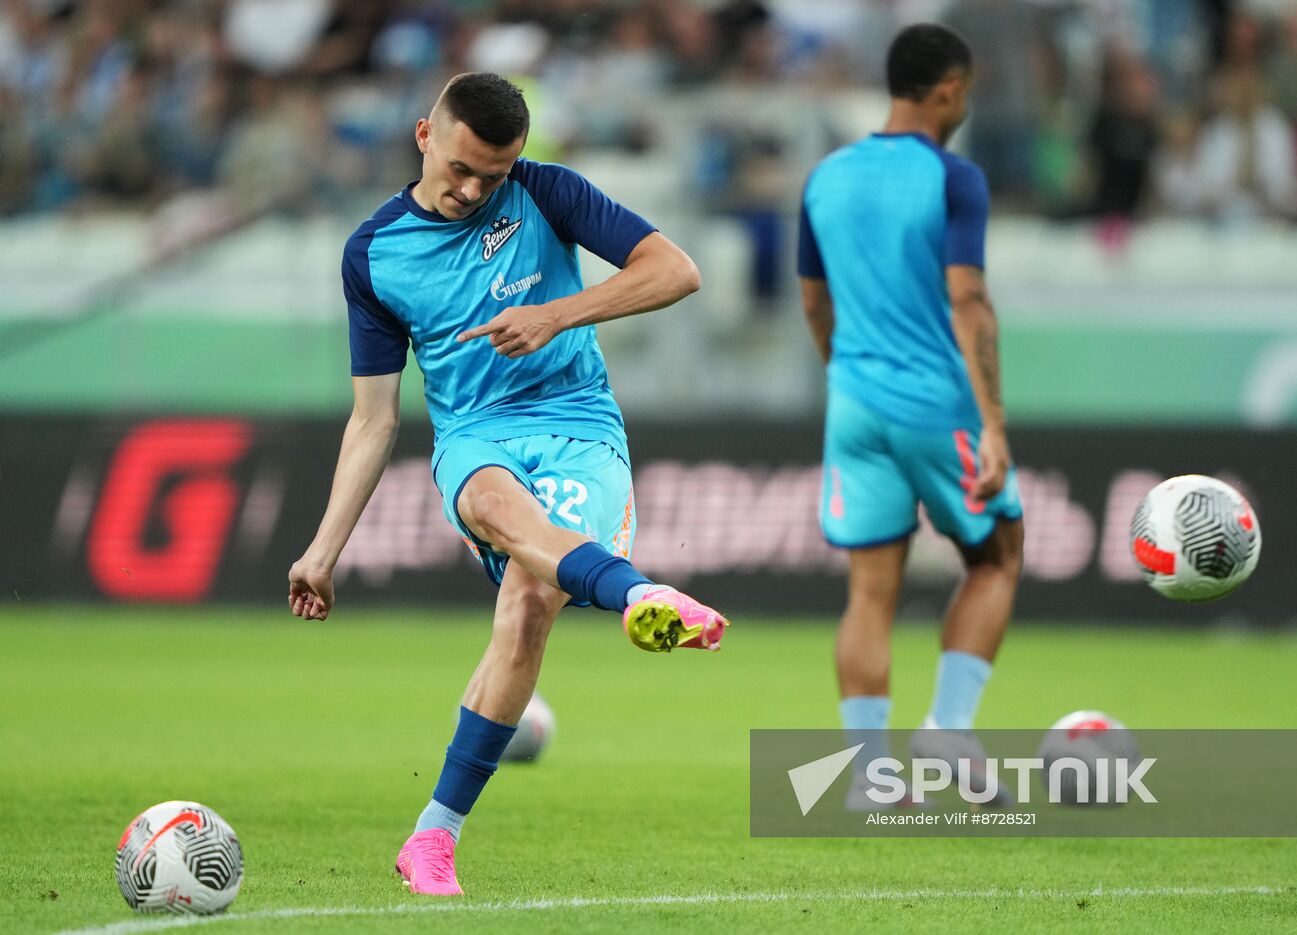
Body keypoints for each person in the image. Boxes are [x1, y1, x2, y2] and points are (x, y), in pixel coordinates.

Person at [286, 72, 728, 895]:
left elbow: (678, 271)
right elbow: (374, 419)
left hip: (580, 428)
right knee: (492, 507)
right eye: (461, 168)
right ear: (425, 135)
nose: (474, 189)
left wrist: (558, 313)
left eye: (493, 176)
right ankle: (637, 595)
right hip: (474, 436)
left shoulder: (548, 193)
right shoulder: (374, 255)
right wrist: (322, 548)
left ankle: (432, 837)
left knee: (528, 602)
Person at [797, 24, 1024, 808]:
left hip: (853, 404)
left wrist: (845, 374)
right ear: (950, 91)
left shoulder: (825, 177)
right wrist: (992, 423)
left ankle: (869, 775)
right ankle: (950, 725)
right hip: (937, 404)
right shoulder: (954, 178)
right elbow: (967, 297)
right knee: (997, 554)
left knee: (869, 593)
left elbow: (814, 301)